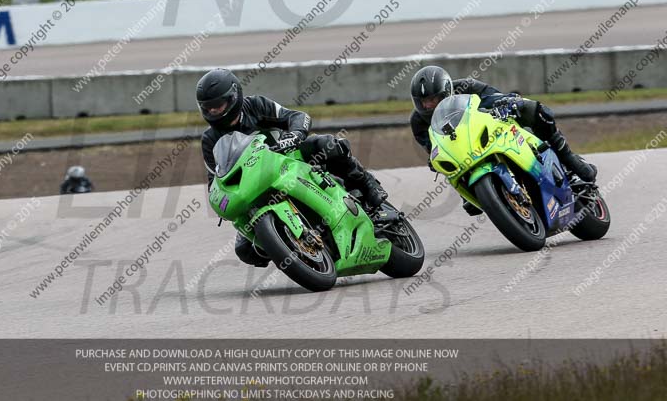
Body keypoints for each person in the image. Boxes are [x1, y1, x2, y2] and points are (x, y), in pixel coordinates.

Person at [197, 68, 387, 267]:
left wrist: (295, 134)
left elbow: (297, 116)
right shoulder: (210, 139)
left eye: (217, 106)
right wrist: (221, 201)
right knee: (245, 250)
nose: (212, 112)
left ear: (233, 97)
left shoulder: (255, 106)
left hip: (287, 159)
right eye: (207, 108)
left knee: (328, 145)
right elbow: (216, 180)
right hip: (251, 187)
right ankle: (288, 243)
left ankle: (367, 183)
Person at [409, 66, 598, 191]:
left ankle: (569, 158)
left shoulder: (467, 87)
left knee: (534, 109)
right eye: (424, 102)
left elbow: (494, 96)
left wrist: (508, 102)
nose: (428, 106)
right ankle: (476, 192)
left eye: (433, 99)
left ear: (447, 91)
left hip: (488, 130)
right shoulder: (418, 122)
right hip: (463, 152)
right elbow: (433, 147)